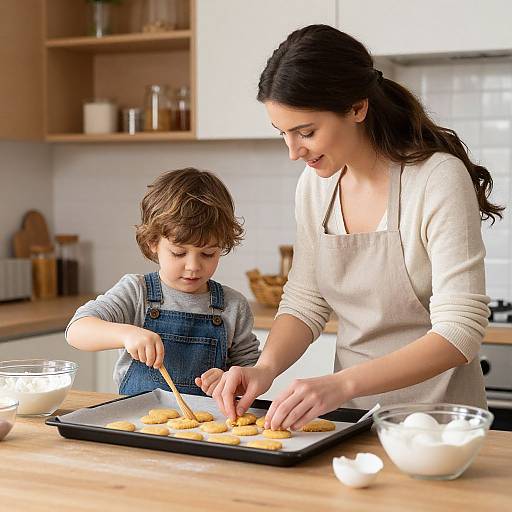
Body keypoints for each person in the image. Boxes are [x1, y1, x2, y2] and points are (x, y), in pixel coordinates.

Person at [211, 25, 504, 429]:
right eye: (283, 134)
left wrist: (340, 384)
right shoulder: (315, 187)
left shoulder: (436, 179)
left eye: (307, 133)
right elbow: (305, 301)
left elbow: (460, 331)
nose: (294, 152)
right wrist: (265, 369)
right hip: (348, 423)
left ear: (356, 108)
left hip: (439, 426)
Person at [66, 168, 260, 396]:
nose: (193, 266)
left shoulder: (232, 305)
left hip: (207, 429)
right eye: (179, 253)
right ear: (152, 243)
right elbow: (76, 330)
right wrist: (127, 334)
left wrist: (230, 380)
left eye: (208, 254)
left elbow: (251, 372)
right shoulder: (137, 292)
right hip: (138, 425)